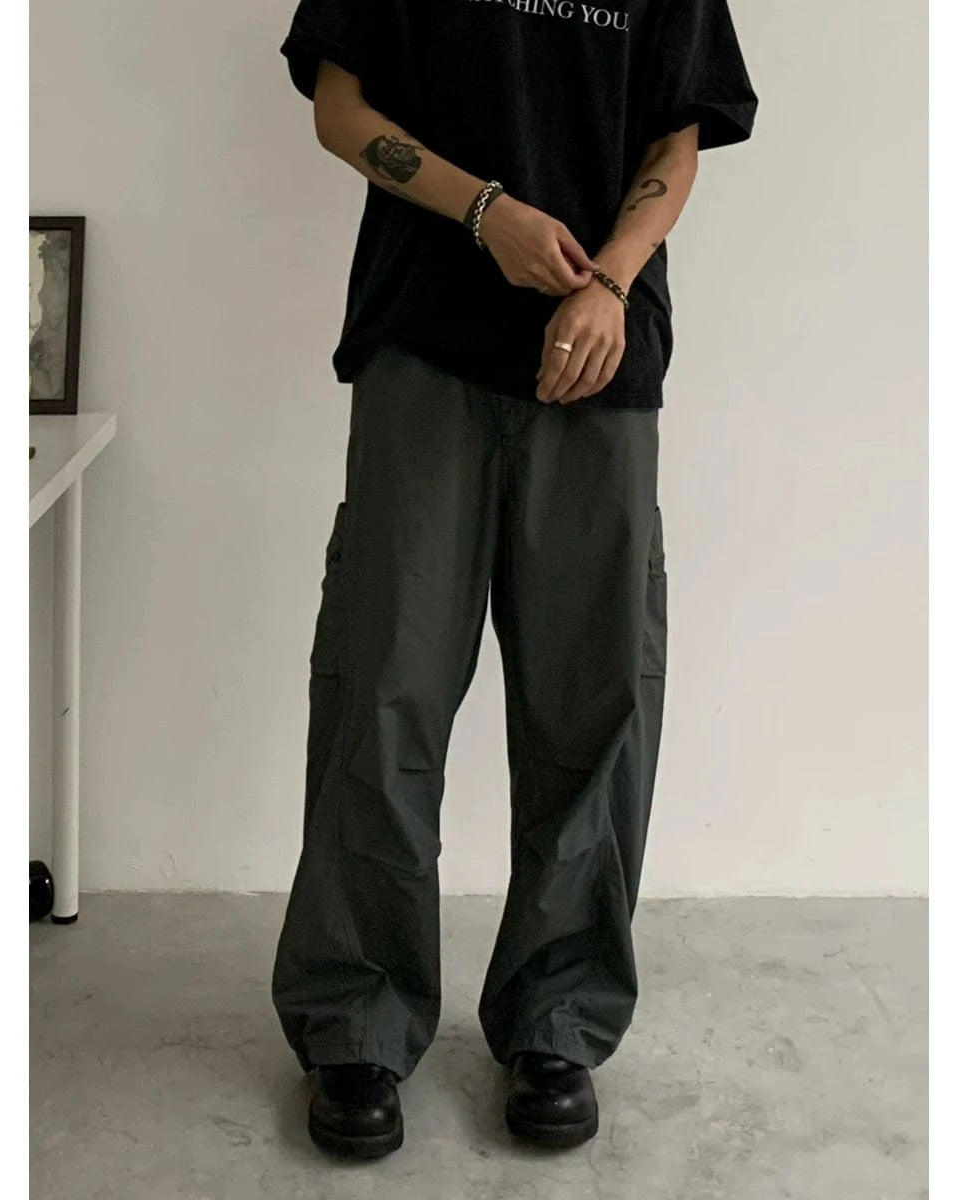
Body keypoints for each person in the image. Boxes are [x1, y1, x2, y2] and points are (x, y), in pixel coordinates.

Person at [271, 0, 757, 1159]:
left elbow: (676, 138)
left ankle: (558, 1020)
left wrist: (613, 283)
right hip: (422, 337)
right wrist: (485, 210)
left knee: (594, 697)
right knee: (383, 680)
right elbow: (341, 109)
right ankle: (356, 1018)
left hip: (596, 352)